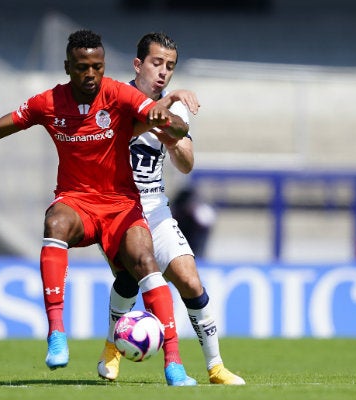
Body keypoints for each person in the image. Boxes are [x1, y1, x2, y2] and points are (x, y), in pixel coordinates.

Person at [0, 29, 196, 386]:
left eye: (97, 67)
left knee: (146, 263)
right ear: (68, 66)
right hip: (77, 201)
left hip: (121, 205)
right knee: (54, 221)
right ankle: (56, 333)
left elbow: (164, 119)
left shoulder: (119, 93)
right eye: (83, 67)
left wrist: (174, 124)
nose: (91, 75)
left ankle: (174, 364)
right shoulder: (49, 102)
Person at [97, 32, 245, 385]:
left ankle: (215, 367)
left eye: (170, 67)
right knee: (132, 276)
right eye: (156, 63)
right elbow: (114, 136)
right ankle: (110, 350)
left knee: (191, 281)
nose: (163, 72)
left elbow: (187, 164)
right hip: (117, 208)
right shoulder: (115, 97)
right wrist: (158, 115)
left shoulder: (175, 109)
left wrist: (170, 135)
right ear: (138, 64)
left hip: (157, 208)